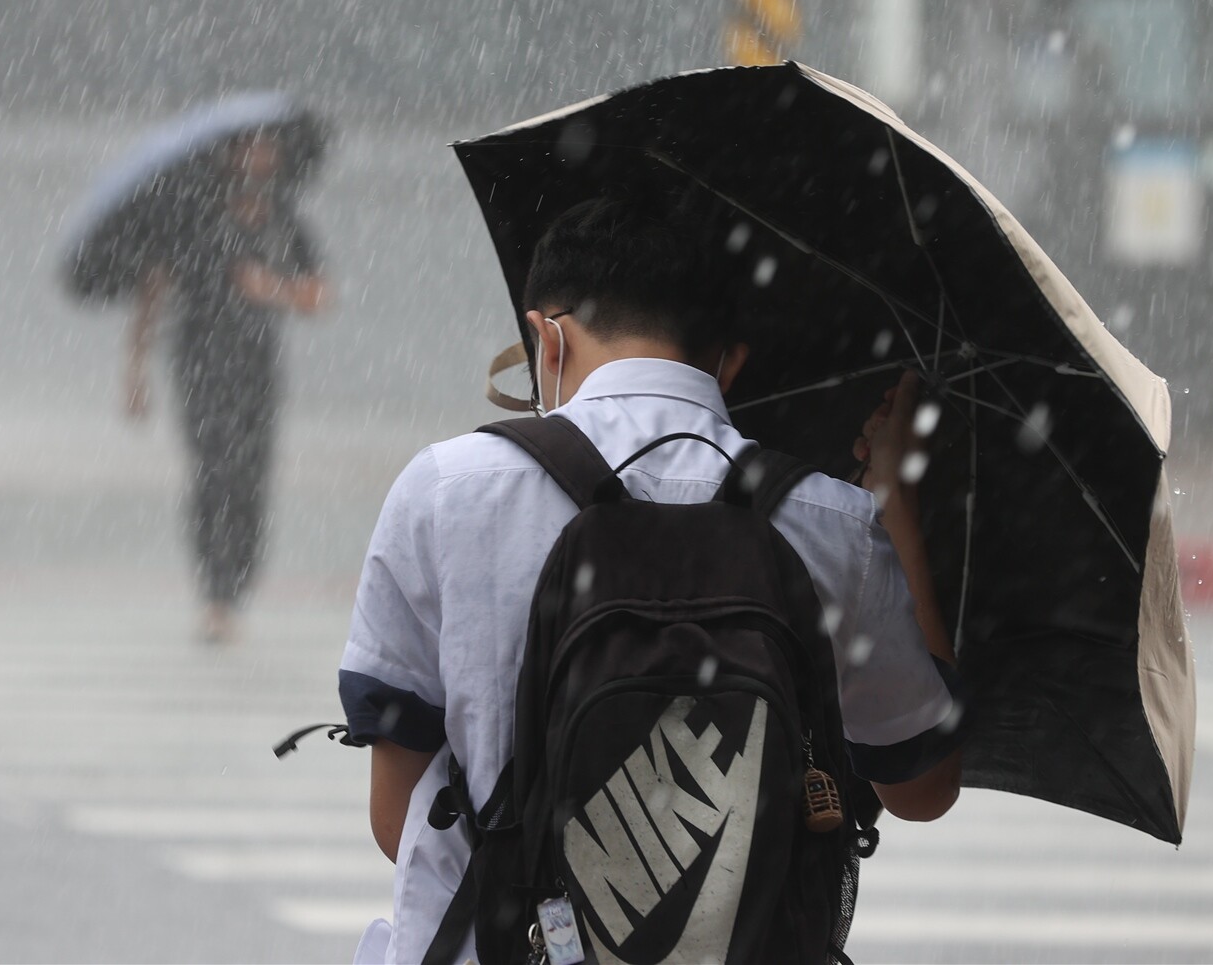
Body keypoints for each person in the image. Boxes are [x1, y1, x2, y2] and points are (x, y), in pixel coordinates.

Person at [338, 196, 962, 964]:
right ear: (729, 361)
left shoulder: (446, 490)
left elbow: (394, 818)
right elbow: (923, 786)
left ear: (547, 339)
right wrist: (894, 505)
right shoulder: (830, 521)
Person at [125, 128, 330, 642]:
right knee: (214, 472)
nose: (257, 157)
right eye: (246, 148)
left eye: (266, 148)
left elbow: (319, 296)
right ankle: (216, 592)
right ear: (228, 156)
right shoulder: (195, 221)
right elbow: (153, 291)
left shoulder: (284, 221)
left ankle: (237, 582)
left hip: (259, 367)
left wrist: (271, 287)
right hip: (200, 364)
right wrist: (135, 371)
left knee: (252, 476)